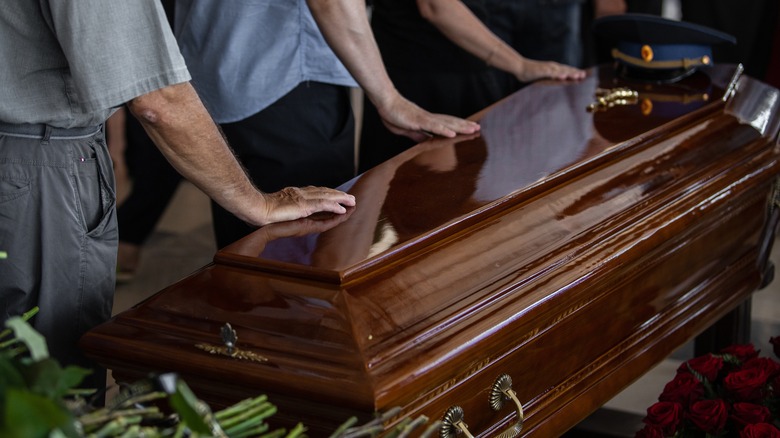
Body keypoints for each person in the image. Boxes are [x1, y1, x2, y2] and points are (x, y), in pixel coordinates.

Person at [0, 0, 355, 393]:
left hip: (24, 151)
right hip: (35, 158)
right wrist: (259, 203)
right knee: (46, 378)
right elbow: (158, 101)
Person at [174, 0, 482, 249]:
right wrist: (390, 100)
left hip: (217, 71)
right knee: (305, 246)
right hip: (285, 79)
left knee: (245, 239)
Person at [358, 0, 586, 173]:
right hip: (427, 75)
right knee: (426, 200)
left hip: (474, 64)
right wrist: (519, 65)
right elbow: (436, 6)